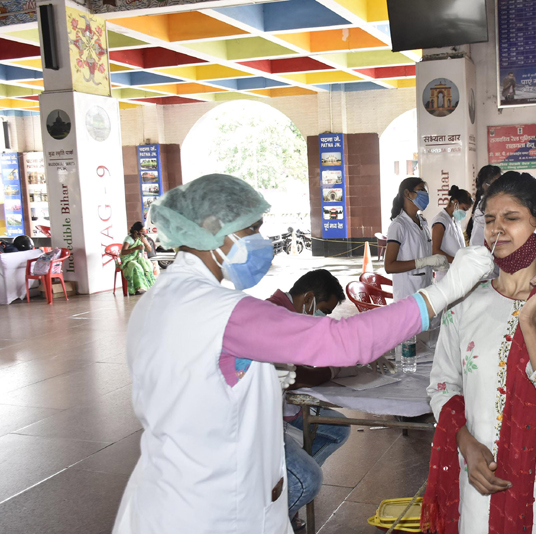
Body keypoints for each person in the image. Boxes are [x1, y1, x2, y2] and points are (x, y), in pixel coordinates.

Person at [112, 174, 493, 534]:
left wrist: (248, 375)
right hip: (213, 505)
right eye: (252, 229)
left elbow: (186, 377)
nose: (260, 241)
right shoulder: (220, 309)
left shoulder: (159, 299)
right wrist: (444, 292)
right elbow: (344, 341)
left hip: (166, 488)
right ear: (214, 229)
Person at [423, 172, 536, 534]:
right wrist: (465, 443)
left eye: (511, 218)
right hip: (477, 490)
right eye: (489, 219)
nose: (496, 230)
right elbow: (442, 387)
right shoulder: (466, 300)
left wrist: (531, 323)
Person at [259, 269, 351, 532]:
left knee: (338, 428)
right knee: (309, 479)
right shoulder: (275, 316)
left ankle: (289, 488)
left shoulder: (294, 314)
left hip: (286, 409)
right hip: (270, 421)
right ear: (309, 298)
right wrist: (332, 370)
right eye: (323, 310)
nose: (323, 318)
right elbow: (297, 377)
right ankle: (271, 520)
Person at [385, 177, 449, 300]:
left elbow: (423, 252)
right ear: (407, 193)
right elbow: (389, 266)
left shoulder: (422, 223)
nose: (425, 195)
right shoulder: (398, 225)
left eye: (425, 191)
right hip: (408, 295)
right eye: (421, 190)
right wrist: (424, 262)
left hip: (426, 290)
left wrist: (435, 263)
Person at [432, 185, 473, 276]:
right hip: (445, 274)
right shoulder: (440, 221)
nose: (464, 213)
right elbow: (435, 251)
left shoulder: (455, 220)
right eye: (464, 209)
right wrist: (457, 261)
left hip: (457, 272)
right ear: (455, 202)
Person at [467, 165, 502, 246]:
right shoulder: (483, 207)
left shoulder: (495, 203)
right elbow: (477, 241)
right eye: (497, 183)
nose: (501, 186)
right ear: (485, 185)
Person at [120, 222, 156, 295]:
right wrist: (135, 248)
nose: (143, 234)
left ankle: (150, 285)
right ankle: (139, 287)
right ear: (136, 232)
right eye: (141, 232)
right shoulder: (129, 239)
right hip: (128, 260)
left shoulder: (142, 239)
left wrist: (145, 242)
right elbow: (123, 252)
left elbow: (149, 250)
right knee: (136, 266)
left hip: (138, 258)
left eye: (144, 232)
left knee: (148, 263)